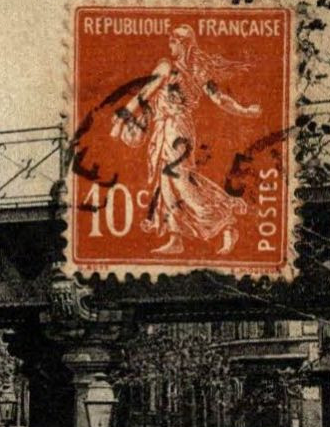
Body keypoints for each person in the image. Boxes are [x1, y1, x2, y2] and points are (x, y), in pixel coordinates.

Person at [110, 24, 262, 255]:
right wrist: (123, 120)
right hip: (164, 127)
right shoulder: (165, 67)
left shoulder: (196, 70)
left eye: (174, 40)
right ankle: (176, 237)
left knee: (179, 180)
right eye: (170, 40)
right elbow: (144, 96)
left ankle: (225, 222)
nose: (170, 44)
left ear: (185, 43)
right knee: (168, 181)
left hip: (179, 129)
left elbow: (219, 98)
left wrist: (244, 111)